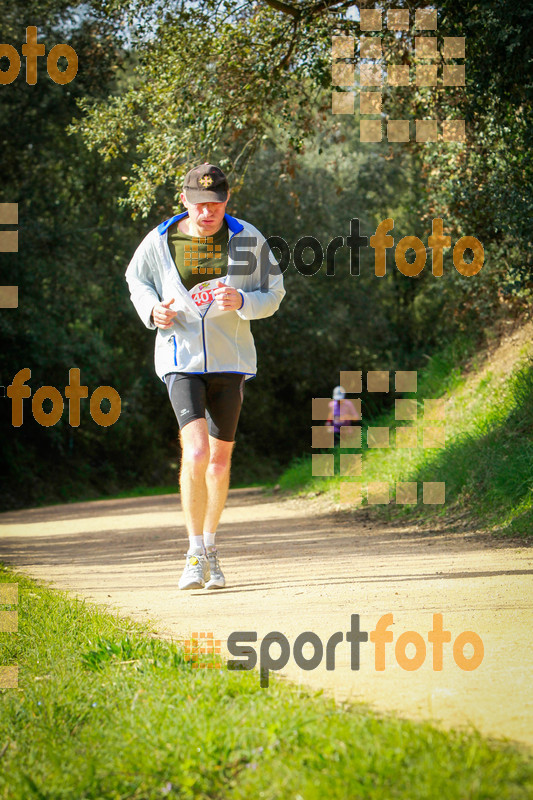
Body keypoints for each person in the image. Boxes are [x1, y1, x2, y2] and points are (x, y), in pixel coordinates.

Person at [125, 163, 285, 590]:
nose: (207, 212)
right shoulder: (161, 240)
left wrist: (243, 300)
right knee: (195, 453)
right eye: (199, 204)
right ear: (184, 200)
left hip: (231, 362)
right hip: (180, 359)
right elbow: (136, 279)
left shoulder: (247, 239)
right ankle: (194, 553)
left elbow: (275, 293)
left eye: (215, 204)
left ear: (227, 200)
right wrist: (151, 310)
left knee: (219, 460)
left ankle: (211, 546)